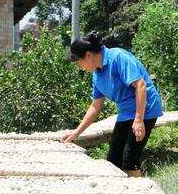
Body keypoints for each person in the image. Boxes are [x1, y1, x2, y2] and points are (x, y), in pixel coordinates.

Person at [63, 32, 163, 177]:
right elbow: (95, 107)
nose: (79, 66)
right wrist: (76, 133)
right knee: (113, 160)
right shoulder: (97, 74)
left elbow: (140, 85)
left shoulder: (117, 58)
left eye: (78, 61)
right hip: (125, 112)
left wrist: (139, 119)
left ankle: (139, 193)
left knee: (129, 159)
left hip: (144, 109)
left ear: (89, 55)